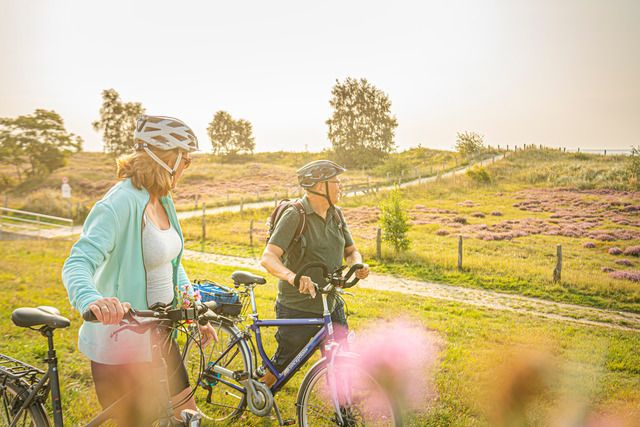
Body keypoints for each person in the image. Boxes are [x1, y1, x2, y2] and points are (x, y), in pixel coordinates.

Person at [62, 115, 216, 426]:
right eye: (186, 159)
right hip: (122, 340)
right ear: (167, 158)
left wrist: (194, 311)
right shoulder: (118, 204)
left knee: (190, 419)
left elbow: (172, 265)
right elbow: (77, 262)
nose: (188, 167)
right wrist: (92, 300)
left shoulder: (162, 200)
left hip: (161, 334)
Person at [259, 160, 370, 386]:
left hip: (330, 303)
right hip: (297, 306)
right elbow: (268, 257)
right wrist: (294, 277)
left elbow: (352, 251)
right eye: (336, 182)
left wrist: (358, 264)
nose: (340, 186)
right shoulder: (295, 214)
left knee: (340, 360)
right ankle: (261, 392)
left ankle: (344, 410)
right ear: (320, 186)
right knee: (284, 365)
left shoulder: (336, 215)